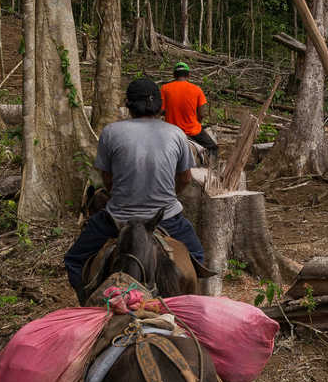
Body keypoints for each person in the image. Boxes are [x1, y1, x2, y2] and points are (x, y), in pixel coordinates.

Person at [63, 77, 206, 290]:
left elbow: (108, 179)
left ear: (128, 105)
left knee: (75, 259)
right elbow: (185, 178)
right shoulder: (176, 134)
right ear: (160, 106)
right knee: (196, 257)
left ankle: (91, 306)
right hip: (166, 218)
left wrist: (123, 195)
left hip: (118, 218)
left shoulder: (111, 132)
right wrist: (168, 196)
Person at [160, 62, 215, 159]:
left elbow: (161, 111)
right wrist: (198, 121)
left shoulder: (164, 88)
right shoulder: (197, 89)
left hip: (171, 131)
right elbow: (202, 113)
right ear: (188, 75)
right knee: (213, 148)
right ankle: (210, 167)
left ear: (174, 75)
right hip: (192, 131)